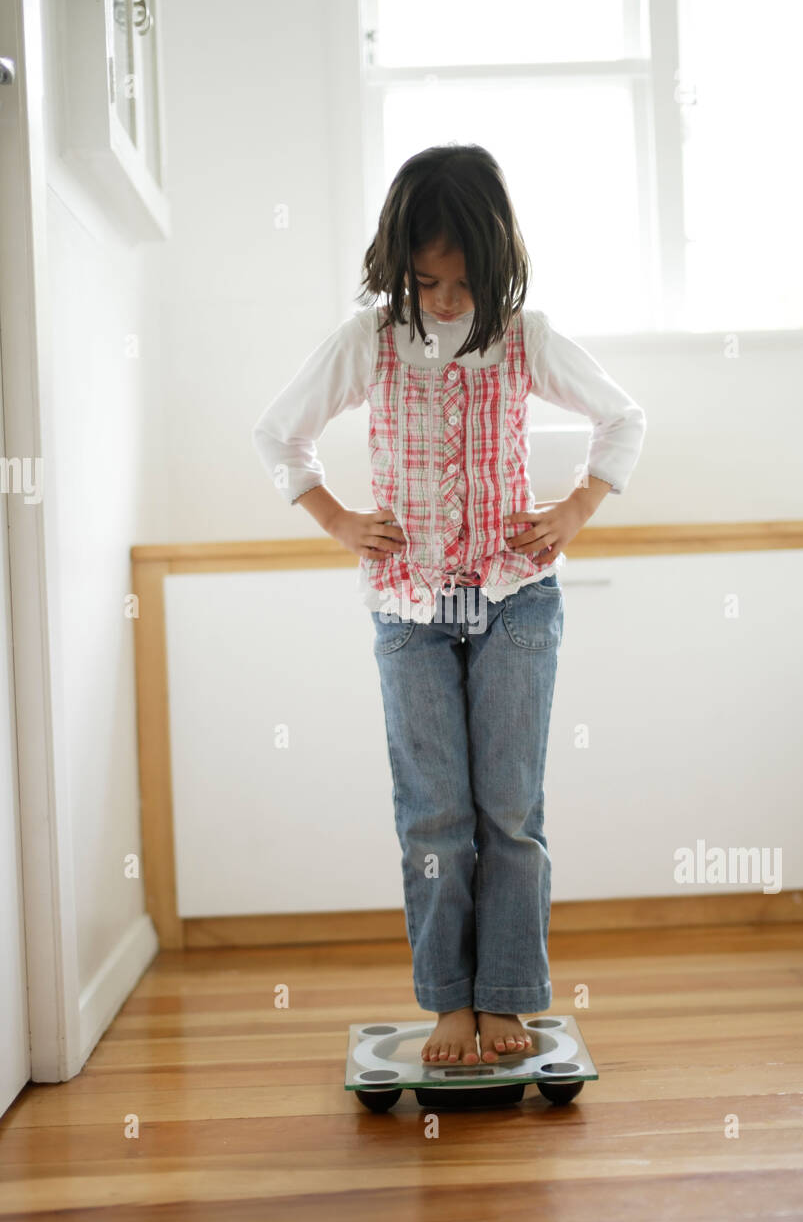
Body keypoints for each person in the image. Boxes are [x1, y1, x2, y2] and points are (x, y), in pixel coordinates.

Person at [252, 144, 647, 1068]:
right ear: (398, 267)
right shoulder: (370, 343)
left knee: (509, 811)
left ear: (496, 264)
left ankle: (507, 994)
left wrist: (578, 508)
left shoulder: (525, 336)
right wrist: (340, 521)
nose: (443, 300)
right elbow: (280, 432)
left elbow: (624, 417)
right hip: (408, 613)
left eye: (463, 282)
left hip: (518, 603)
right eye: (426, 281)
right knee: (435, 815)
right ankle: (447, 1003)